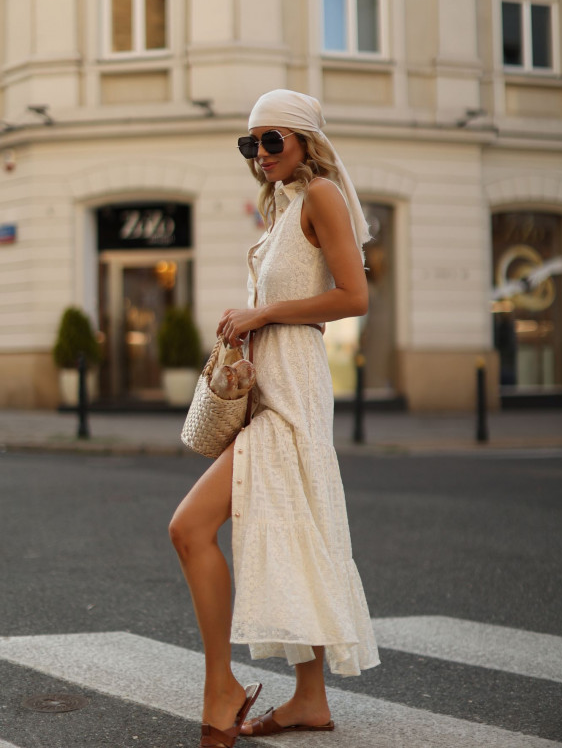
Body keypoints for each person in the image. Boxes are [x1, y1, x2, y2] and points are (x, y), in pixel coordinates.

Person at [169, 89, 380, 748]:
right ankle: (309, 700)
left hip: (295, 395)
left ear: (304, 140)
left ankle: (223, 688)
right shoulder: (283, 206)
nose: (258, 154)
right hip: (272, 388)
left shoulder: (320, 195)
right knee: (290, 533)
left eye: (271, 140)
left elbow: (355, 295)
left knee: (189, 527)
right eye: (249, 143)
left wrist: (259, 315)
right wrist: (246, 322)